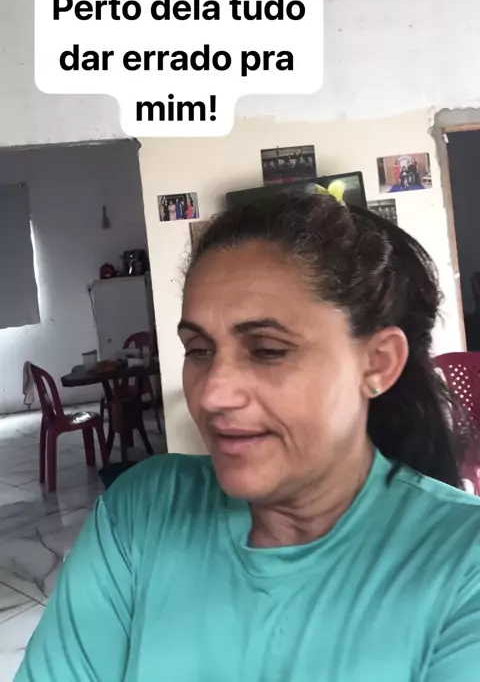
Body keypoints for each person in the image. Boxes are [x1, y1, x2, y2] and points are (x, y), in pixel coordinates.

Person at [16, 193, 480, 682]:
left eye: (267, 350)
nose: (212, 394)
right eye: (199, 350)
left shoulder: (463, 568)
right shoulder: (142, 511)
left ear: (377, 363)